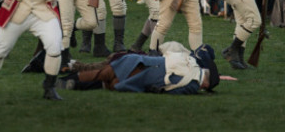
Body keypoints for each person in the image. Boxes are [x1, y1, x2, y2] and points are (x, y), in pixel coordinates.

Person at [56, 42, 220, 95]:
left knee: (102, 74)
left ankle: (66, 82)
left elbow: (167, 53)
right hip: (144, 76)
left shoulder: (190, 60)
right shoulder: (192, 84)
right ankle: (71, 83)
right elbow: (172, 91)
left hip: (139, 62)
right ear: (205, 84)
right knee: (108, 80)